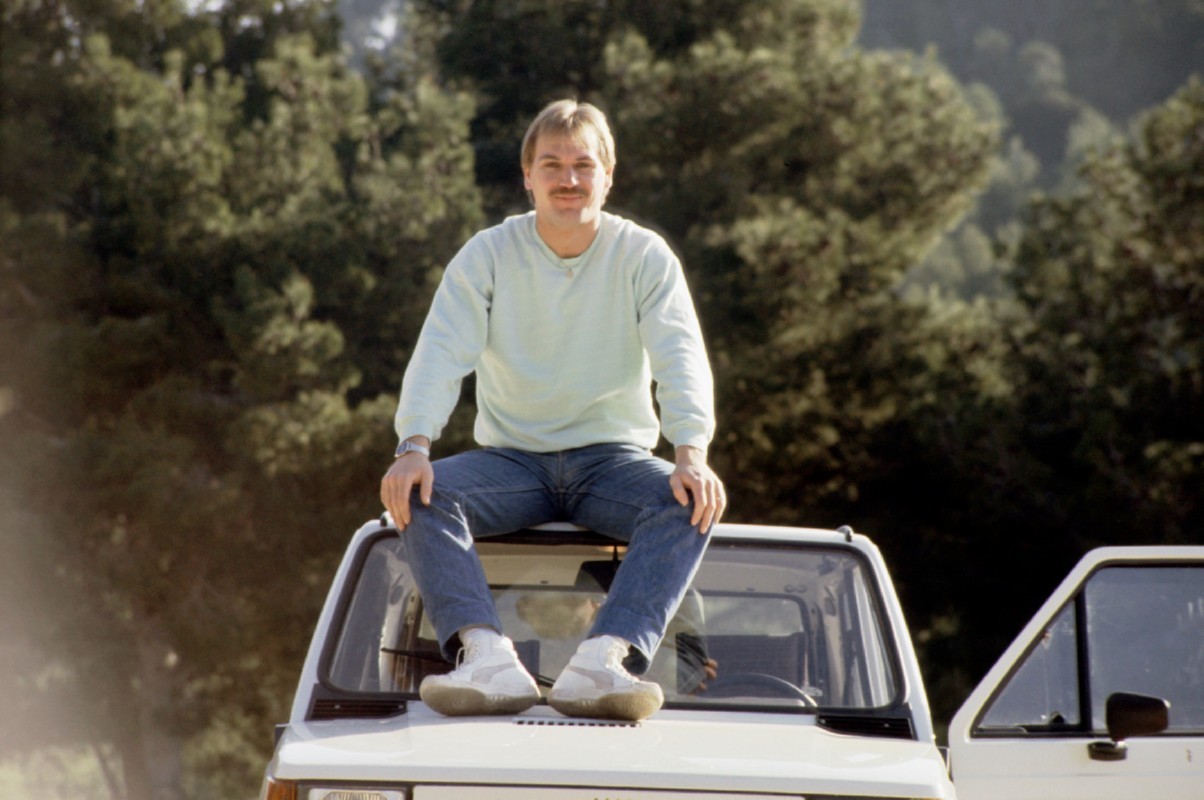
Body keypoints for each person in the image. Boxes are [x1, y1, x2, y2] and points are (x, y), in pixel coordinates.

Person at [379, 99, 726, 722]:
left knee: (689, 502)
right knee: (420, 493)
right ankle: (485, 657)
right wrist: (414, 445)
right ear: (528, 176)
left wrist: (691, 452)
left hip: (613, 463)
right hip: (512, 462)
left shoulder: (644, 255)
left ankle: (605, 659)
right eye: (552, 164)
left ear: (607, 176)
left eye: (583, 165)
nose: (569, 178)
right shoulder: (487, 253)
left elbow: (679, 354)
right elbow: (440, 351)